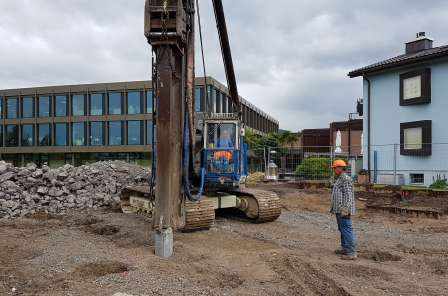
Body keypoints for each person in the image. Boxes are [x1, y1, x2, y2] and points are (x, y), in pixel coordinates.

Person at [330, 159, 357, 260]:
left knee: (346, 229)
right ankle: (345, 248)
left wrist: (345, 209)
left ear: (340, 168)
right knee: (342, 229)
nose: (334, 170)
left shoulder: (345, 179)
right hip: (339, 209)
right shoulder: (340, 178)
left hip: (343, 210)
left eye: (335, 168)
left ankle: (351, 252)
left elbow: (348, 196)